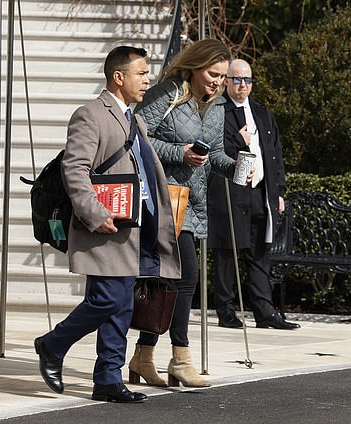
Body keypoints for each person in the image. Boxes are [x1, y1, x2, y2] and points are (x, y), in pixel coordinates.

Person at [33, 46, 181, 403]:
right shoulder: (90, 115)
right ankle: (52, 344)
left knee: (123, 304)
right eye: (141, 73)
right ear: (119, 77)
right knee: (108, 299)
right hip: (105, 226)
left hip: (135, 226)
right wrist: (95, 215)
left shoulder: (136, 119)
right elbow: (75, 170)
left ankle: (108, 378)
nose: (148, 80)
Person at [130, 38, 236, 388]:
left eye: (222, 76)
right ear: (195, 65)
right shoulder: (168, 93)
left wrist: (236, 168)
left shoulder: (218, 106)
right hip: (164, 198)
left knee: (171, 281)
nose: (217, 81)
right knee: (185, 276)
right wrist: (180, 152)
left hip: (195, 202)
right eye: (213, 73)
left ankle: (144, 355)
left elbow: (216, 154)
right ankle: (180, 357)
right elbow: (136, 135)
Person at [207, 59, 300, 330]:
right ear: (227, 82)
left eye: (247, 80)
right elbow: (213, 149)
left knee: (260, 252)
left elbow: (275, 153)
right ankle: (226, 312)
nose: (242, 85)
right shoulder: (217, 111)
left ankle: (265, 312)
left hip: (260, 190)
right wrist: (238, 140)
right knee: (227, 252)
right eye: (237, 80)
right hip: (230, 189)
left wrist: (278, 191)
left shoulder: (261, 112)